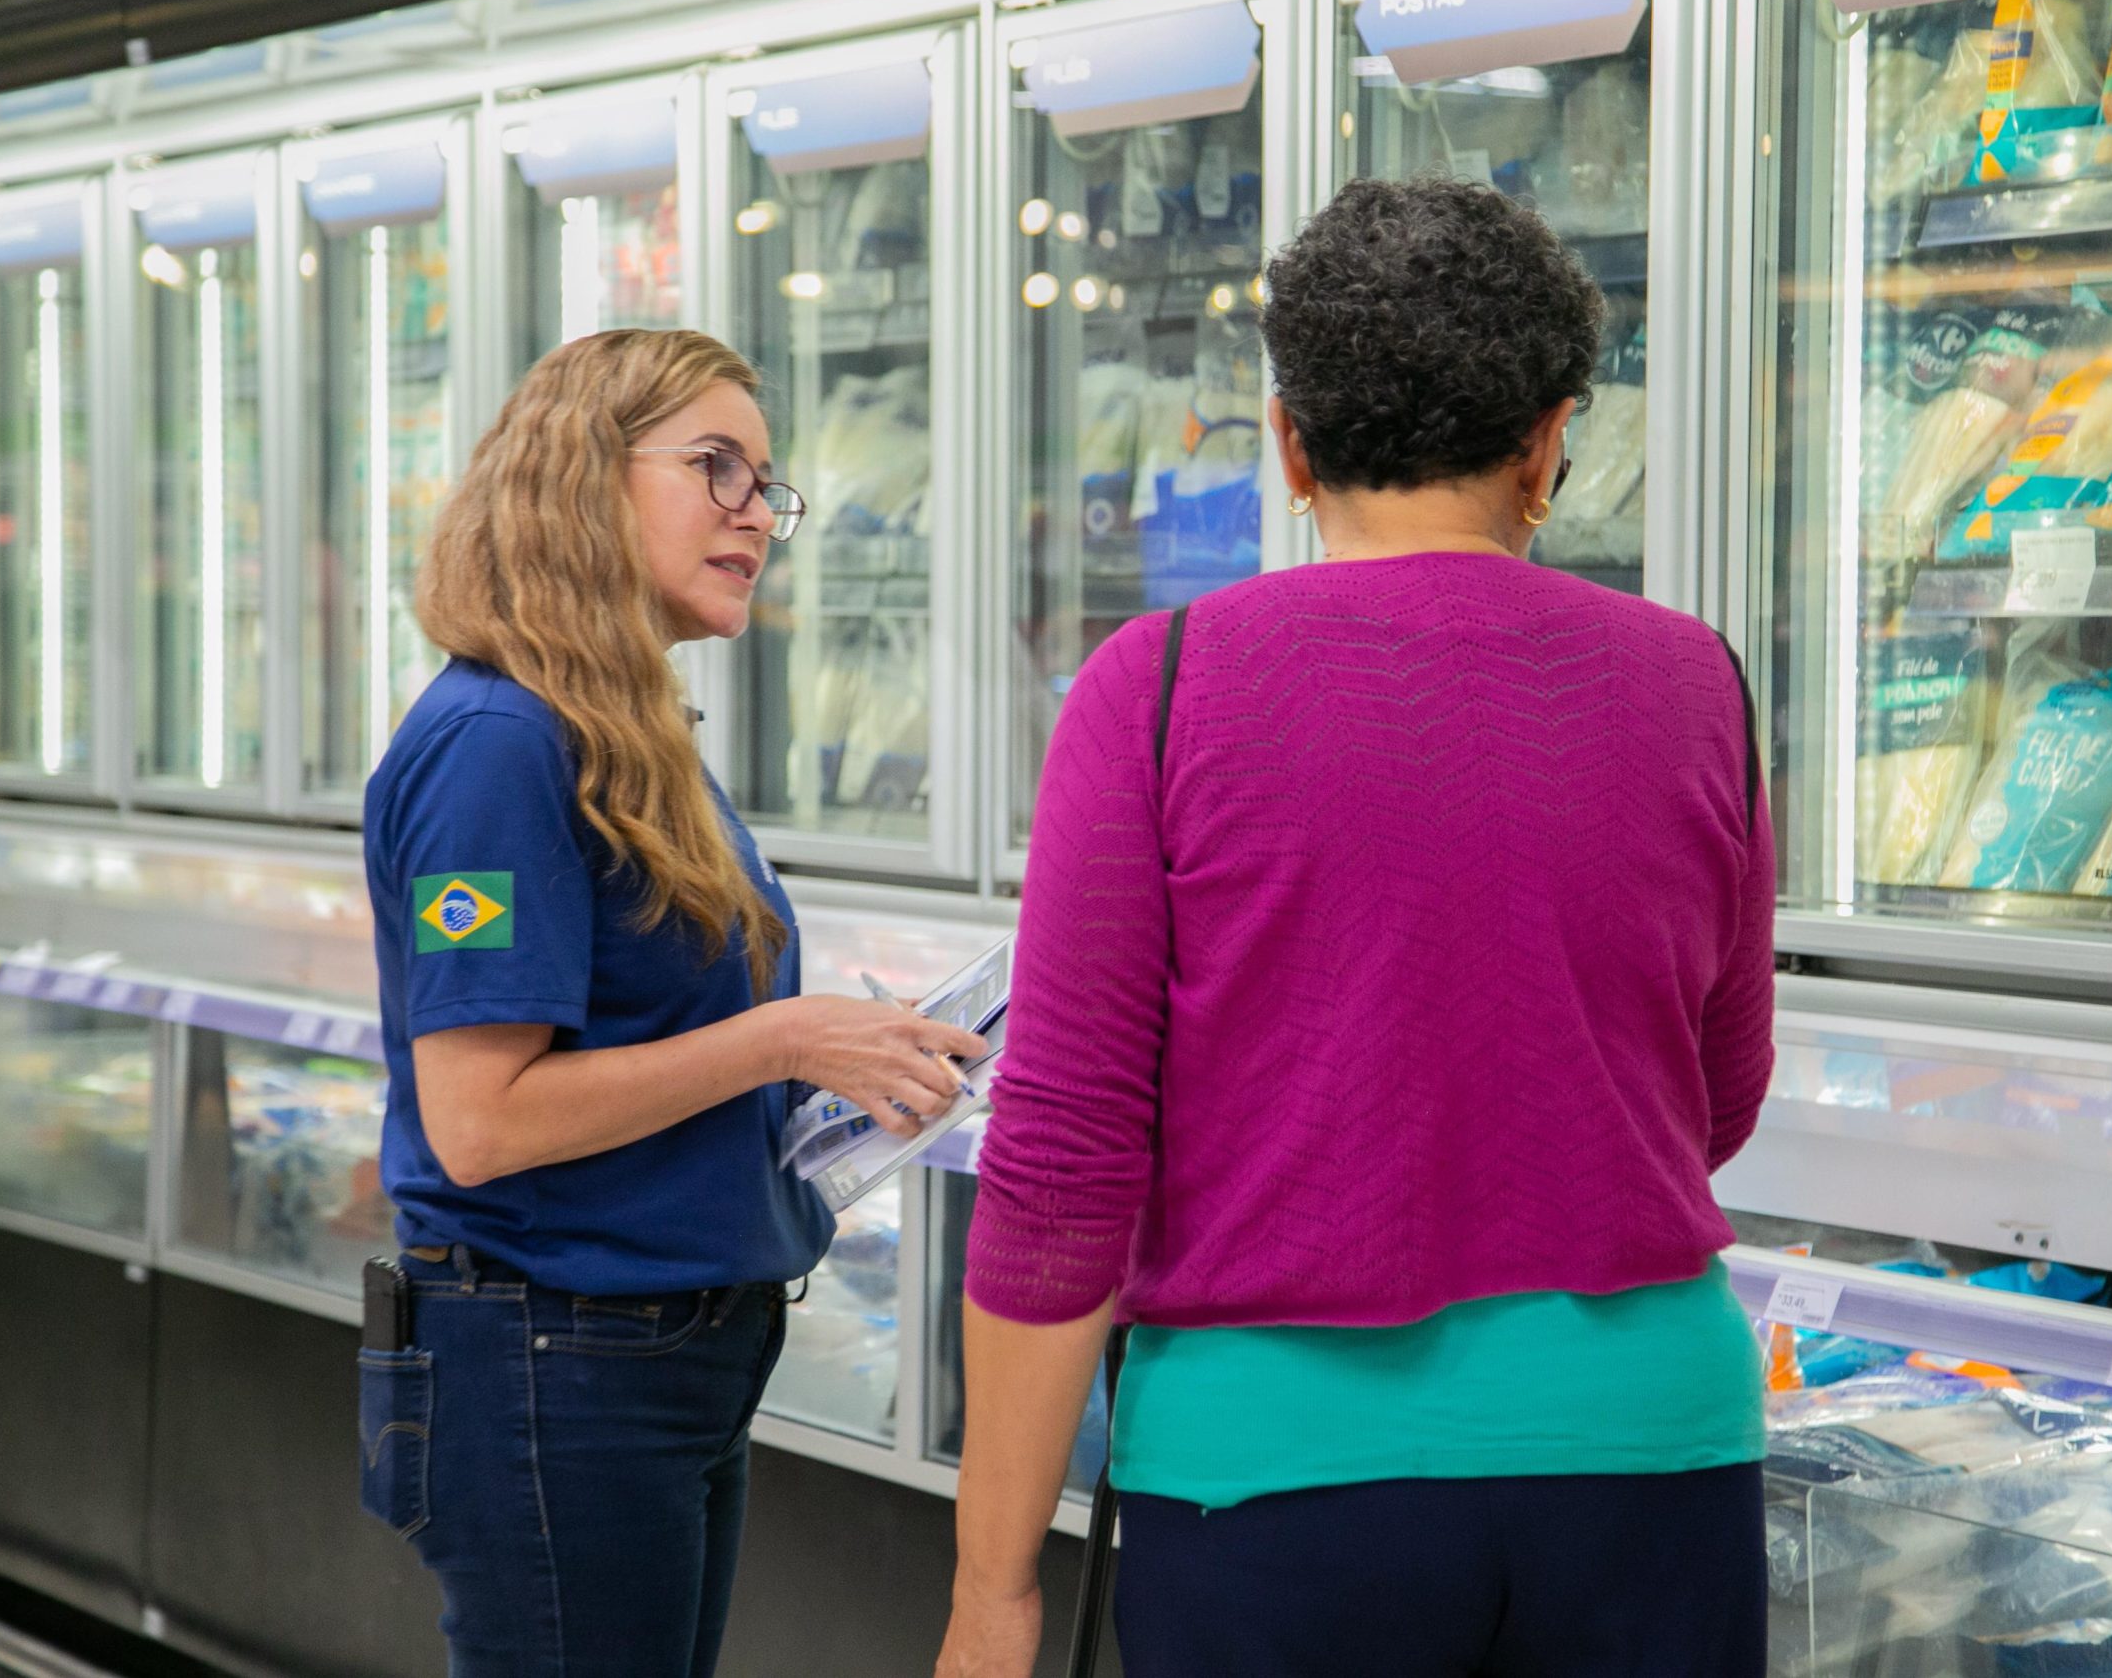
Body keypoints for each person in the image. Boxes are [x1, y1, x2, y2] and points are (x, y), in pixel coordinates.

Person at [936, 177, 1777, 1678]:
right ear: (1548, 441)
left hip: (1275, 1480)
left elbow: (1064, 1168)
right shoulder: (1695, 680)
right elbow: (1718, 1099)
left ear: (1291, 443)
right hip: (1654, 1460)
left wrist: (993, 1595)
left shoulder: (1163, 683)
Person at [357, 327, 987, 1678]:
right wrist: (784, 1036)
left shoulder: (626, 738)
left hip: (661, 1356)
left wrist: (827, 1063)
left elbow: (651, 1036)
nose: (757, 515)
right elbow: (479, 1120)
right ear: (581, 476)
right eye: (718, 469)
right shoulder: (499, 746)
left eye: (768, 483)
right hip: (556, 1361)